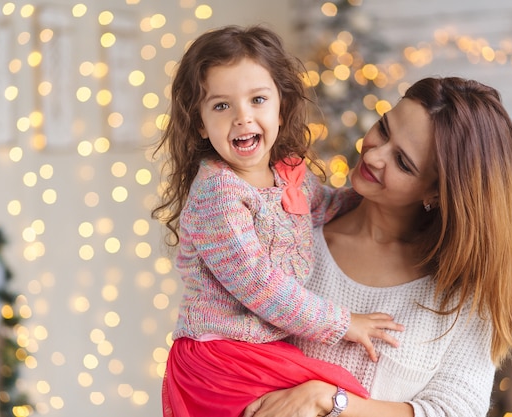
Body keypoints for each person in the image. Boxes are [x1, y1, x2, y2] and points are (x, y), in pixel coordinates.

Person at [243, 76, 512, 417]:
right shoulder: (293, 232)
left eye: (403, 162)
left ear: (437, 194)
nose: (375, 155)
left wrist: (330, 400)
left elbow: (456, 410)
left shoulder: (462, 292)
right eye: (383, 128)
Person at [151, 25, 404, 417]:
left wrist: (383, 189)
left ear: (280, 107)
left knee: (347, 396)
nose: (242, 117)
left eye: (257, 100)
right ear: (200, 123)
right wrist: (343, 324)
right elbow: (261, 286)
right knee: (346, 393)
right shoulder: (217, 195)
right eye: (221, 106)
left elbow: (329, 206)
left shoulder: (288, 175)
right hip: (217, 357)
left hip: (255, 352)